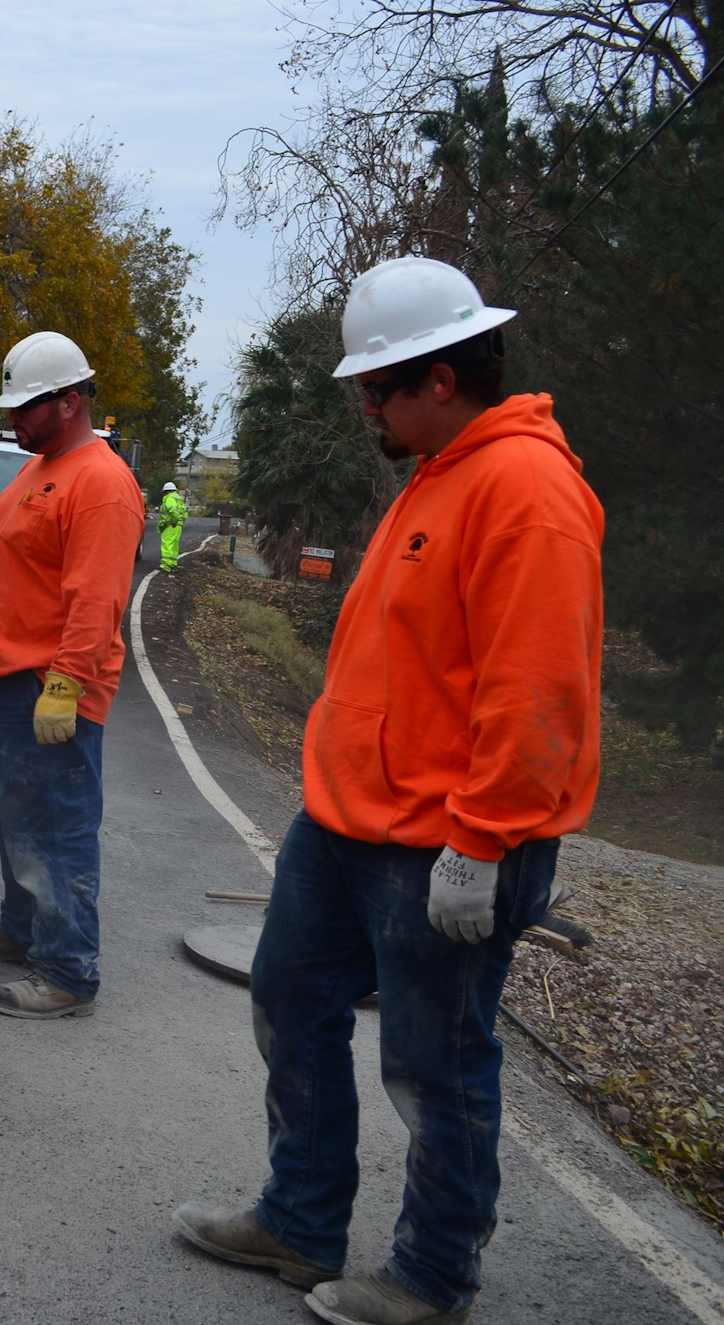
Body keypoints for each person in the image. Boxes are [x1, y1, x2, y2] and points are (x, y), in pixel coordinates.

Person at [173, 256, 604, 1325]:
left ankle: (429, 1277)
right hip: (346, 824)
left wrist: (485, 840)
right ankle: (299, 1218)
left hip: (444, 843)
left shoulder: (527, 491)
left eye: (377, 386)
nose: (364, 404)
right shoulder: (439, 469)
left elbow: (537, 688)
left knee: (435, 1064)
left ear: (442, 379)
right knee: (289, 1000)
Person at [0, 331, 144, 1020]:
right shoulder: (44, 467)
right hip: (14, 681)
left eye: (26, 407)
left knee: (56, 826)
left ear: (68, 401)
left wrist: (66, 685)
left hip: (48, 689)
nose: (14, 420)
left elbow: (95, 599)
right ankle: (22, 927)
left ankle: (67, 969)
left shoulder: (100, 482)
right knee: (18, 816)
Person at [158, 481, 187, 571]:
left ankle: (166, 565)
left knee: (167, 543)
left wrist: (175, 520)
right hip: (178, 525)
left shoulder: (170, 499)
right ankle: (172, 562)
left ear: (167, 491)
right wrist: (179, 521)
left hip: (170, 524)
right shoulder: (178, 499)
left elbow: (173, 511)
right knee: (174, 544)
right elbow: (184, 513)